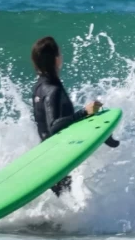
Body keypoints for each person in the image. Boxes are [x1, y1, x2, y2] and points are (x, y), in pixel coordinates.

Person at [30, 36, 119, 196]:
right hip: (58, 161)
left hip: (48, 156)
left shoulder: (39, 87)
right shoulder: (53, 89)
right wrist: (85, 112)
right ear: (56, 59)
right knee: (66, 203)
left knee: (62, 206)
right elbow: (55, 126)